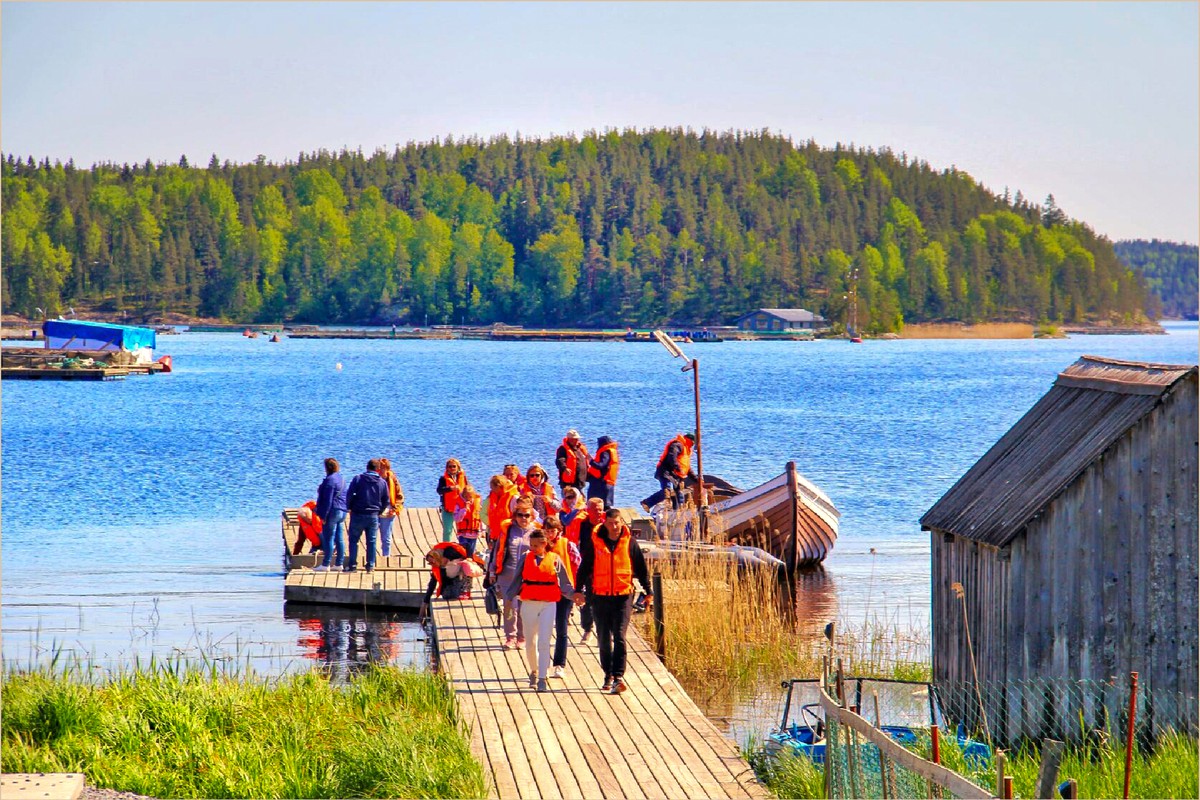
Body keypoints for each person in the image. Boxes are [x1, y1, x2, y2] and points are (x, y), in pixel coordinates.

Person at [574, 507, 653, 694]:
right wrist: (578, 590)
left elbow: (641, 569)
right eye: (610, 523)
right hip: (600, 596)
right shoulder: (595, 543)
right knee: (603, 638)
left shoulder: (629, 543)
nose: (614, 526)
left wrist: (649, 590)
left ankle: (618, 676)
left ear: (622, 523)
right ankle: (607, 674)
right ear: (605, 523)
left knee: (619, 636)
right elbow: (584, 568)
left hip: (623, 596)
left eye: (617, 523)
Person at [504, 529, 575, 692]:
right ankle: (534, 671)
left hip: (548, 604)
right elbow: (516, 581)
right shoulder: (525, 558)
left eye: (536, 545)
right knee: (530, 642)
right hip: (528, 603)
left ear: (545, 544)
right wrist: (508, 599)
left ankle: (543, 677)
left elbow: (565, 584)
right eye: (531, 545)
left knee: (544, 641)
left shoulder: (555, 560)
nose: (533, 548)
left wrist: (575, 596)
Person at [486, 497, 537, 649]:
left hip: (527, 577)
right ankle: (510, 636)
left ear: (531, 516)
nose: (523, 518)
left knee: (523, 608)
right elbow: (497, 551)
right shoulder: (507, 530)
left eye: (526, 515)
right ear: (515, 516)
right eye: (520, 515)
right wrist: (492, 571)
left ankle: (522, 637)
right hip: (507, 575)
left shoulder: (536, 531)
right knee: (509, 608)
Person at [543, 516, 580, 679]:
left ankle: (559, 664)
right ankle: (542, 663)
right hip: (543, 592)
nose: (550, 534)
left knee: (561, 629)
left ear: (559, 530)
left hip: (564, 593)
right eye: (547, 531)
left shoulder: (567, 545)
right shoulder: (540, 545)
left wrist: (578, 589)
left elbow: (578, 565)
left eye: (553, 531)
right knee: (543, 630)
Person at [345, 459, 390, 573]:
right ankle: (370, 566)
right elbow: (386, 500)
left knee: (353, 540)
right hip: (373, 515)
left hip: (357, 514)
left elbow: (349, 495)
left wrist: (349, 507)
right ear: (378, 469)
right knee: (371, 541)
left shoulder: (358, 479)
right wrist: (379, 511)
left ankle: (352, 566)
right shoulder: (382, 482)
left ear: (367, 467)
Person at [574, 497, 607, 643]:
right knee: (586, 599)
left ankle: (604, 630)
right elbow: (574, 543)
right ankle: (587, 628)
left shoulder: (607, 525)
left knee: (603, 599)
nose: (598, 512)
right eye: (595, 510)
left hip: (604, 566)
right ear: (588, 510)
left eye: (600, 509)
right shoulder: (581, 525)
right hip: (586, 565)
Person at [419, 541, 477, 621]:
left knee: (468, 566)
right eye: (430, 563)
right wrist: (425, 602)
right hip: (451, 578)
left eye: (432, 562)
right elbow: (433, 583)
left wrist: (469, 557)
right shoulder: (437, 566)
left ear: (438, 557)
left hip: (461, 573)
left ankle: (465, 590)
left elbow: (467, 544)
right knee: (447, 596)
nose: (432, 564)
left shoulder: (450, 552)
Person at [314, 458, 348, 571]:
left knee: (329, 538)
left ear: (327, 468)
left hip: (332, 511)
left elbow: (327, 500)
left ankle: (325, 564)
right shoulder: (341, 478)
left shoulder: (330, 480)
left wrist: (323, 516)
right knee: (339, 538)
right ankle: (339, 564)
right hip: (342, 511)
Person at [654, 432, 696, 509]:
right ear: (690, 440)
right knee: (667, 492)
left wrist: (695, 479)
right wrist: (678, 469)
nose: (693, 445)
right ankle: (647, 502)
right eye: (693, 442)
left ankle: (678, 512)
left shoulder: (686, 450)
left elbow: (687, 467)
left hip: (675, 474)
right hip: (666, 471)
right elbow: (672, 458)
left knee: (679, 494)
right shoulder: (678, 445)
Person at [377, 458, 405, 558]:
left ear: (387, 468)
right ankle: (371, 557)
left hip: (389, 510)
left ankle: (386, 556)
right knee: (372, 536)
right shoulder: (374, 479)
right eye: (379, 468)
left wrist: (395, 509)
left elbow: (400, 496)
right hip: (375, 510)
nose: (380, 470)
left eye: (383, 468)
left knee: (386, 537)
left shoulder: (392, 479)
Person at [437, 458, 467, 543]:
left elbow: (468, 489)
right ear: (447, 468)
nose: (452, 468)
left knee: (462, 530)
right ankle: (446, 547)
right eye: (449, 467)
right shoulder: (443, 478)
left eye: (454, 466)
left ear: (458, 467)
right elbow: (439, 490)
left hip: (461, 507)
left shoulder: (463, 477)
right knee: (448, 530)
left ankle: (463, 547)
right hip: (447, 508)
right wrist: (450, 488)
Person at [586, 435, 620, 509]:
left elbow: (601, 465)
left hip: (601, 483)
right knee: (606, 505)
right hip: (608, 482)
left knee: (594, 503)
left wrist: (590, 461)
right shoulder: (612, 451)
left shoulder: (605, 452)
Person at [453, 484, 484, 557]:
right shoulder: (459, 503)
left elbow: (480, 517)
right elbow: (456, 518)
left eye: (470, 497)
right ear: (463, 495)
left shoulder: (477, 503)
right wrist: (464, 510)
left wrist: (482, 530)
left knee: (470, 554)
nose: (468, 499)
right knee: (463, 553)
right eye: (466, 496)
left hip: (474, 534)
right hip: (463, 534)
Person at [487, 475, 519, 544]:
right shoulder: (494, 499)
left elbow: (518, 517)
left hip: (509, 535)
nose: (491, 490)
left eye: (493, 488)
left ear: (499, 486)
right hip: (496, 536)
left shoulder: (513, 498)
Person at [555, 429, 589, 493]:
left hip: (580, 481)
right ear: (569, 439)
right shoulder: (563, 449)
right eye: (575, 439)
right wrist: (565, 468)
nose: (577, 441)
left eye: (577, 439)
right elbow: (560, 460)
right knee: (569, 500)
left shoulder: (579, 448)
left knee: (580, 501)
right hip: (569, 483)